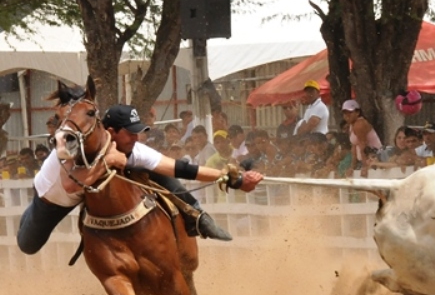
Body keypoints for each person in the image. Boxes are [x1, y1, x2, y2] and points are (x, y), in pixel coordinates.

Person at [17, 104, 264, 255]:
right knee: (28, 245)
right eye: (131, 133)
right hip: (52, 199)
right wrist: (109, 161)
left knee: (156, 169)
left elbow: (182, 168)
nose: (137, 138)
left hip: (88, 191)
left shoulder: (134, 150)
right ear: (111, 132)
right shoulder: (72, 144)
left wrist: (235, 178)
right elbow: (72, 184)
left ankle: (197, 217)